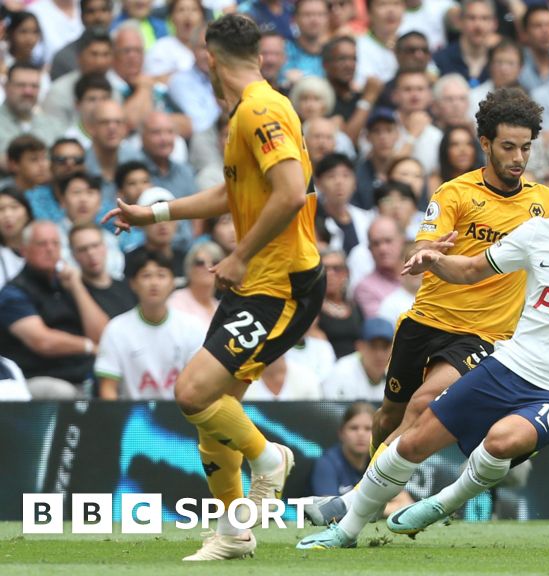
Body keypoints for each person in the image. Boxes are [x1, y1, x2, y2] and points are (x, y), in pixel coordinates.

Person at [297, 90, 549, 528]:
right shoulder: (455, 193)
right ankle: (371, 495)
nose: (519, 158)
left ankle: (353, 506)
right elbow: (428, 243)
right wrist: (427, 252)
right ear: (485, 143)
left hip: (488, 335)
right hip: (427, 320)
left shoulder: (547, 201)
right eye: (508, 147)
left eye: (526, 148)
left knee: (424, 404)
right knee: (388, 416)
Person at [102, 14, 326, 561]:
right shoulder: (249, 110)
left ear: (209, 56)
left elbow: (291, 193)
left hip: (280, 282)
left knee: (192, 393)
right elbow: (232, 196)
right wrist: (153, 213)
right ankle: (234, 532)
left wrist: (239, 253)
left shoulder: (260, 110)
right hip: (263, 280)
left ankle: (271, 460)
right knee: (214, 419)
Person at [0, 220, 109, 398]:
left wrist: (77, 286)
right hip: (36, 378)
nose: (50, 249)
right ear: (24, 250)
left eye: (55, 243)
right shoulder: (13, 293)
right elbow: (42, 342)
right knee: (63, 393)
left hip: (83, 373)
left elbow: (103, 335)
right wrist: (87, 346)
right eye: (42, 244)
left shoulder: (68, 284)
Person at [95, 249, 205, 399]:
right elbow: (108, 389)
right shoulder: (116, 329)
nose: (154, 283)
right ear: (133, 284)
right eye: (146, 276)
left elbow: (200, 384)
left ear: (173, 282)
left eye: (161, 275)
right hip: (133, 419)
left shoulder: (193, 327)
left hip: (181, 416)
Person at [321, 317, 393, 401]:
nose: (379, 355)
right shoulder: (341, 373)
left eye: (385, 347)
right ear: (359, 346)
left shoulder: (397, 374)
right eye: (373, 346)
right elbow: (332, 412)